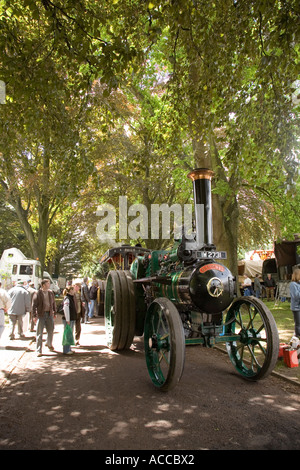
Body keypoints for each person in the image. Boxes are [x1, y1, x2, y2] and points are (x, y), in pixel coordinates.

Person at [32, 279, 56, 357]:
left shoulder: (50, 293)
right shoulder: (38, 293)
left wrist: (54, 312)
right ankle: (38, 350)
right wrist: (34, 316)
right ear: (43, 285)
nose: (49, 284)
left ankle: (49, 344)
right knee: (39, 333)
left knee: (51, 330)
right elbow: (34, 305)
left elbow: (53, 303)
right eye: (47, 283)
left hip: (49, 314)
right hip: (41, 315)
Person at [62, 286, 77, 355]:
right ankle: (66, 349)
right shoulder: (67, 299)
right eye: (73, 290)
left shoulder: (70, 298)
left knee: (69, 333)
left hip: (71, 319)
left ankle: (68, 348)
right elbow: (66, 308)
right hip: (69, 319)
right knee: (67, 334)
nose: (75, 291)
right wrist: (67, 319)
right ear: (71, 290)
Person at [290, 268, 300, 339]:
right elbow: (295, 296)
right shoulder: (293, 284)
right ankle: (298, 336)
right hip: (296, 307)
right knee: (298, 324)